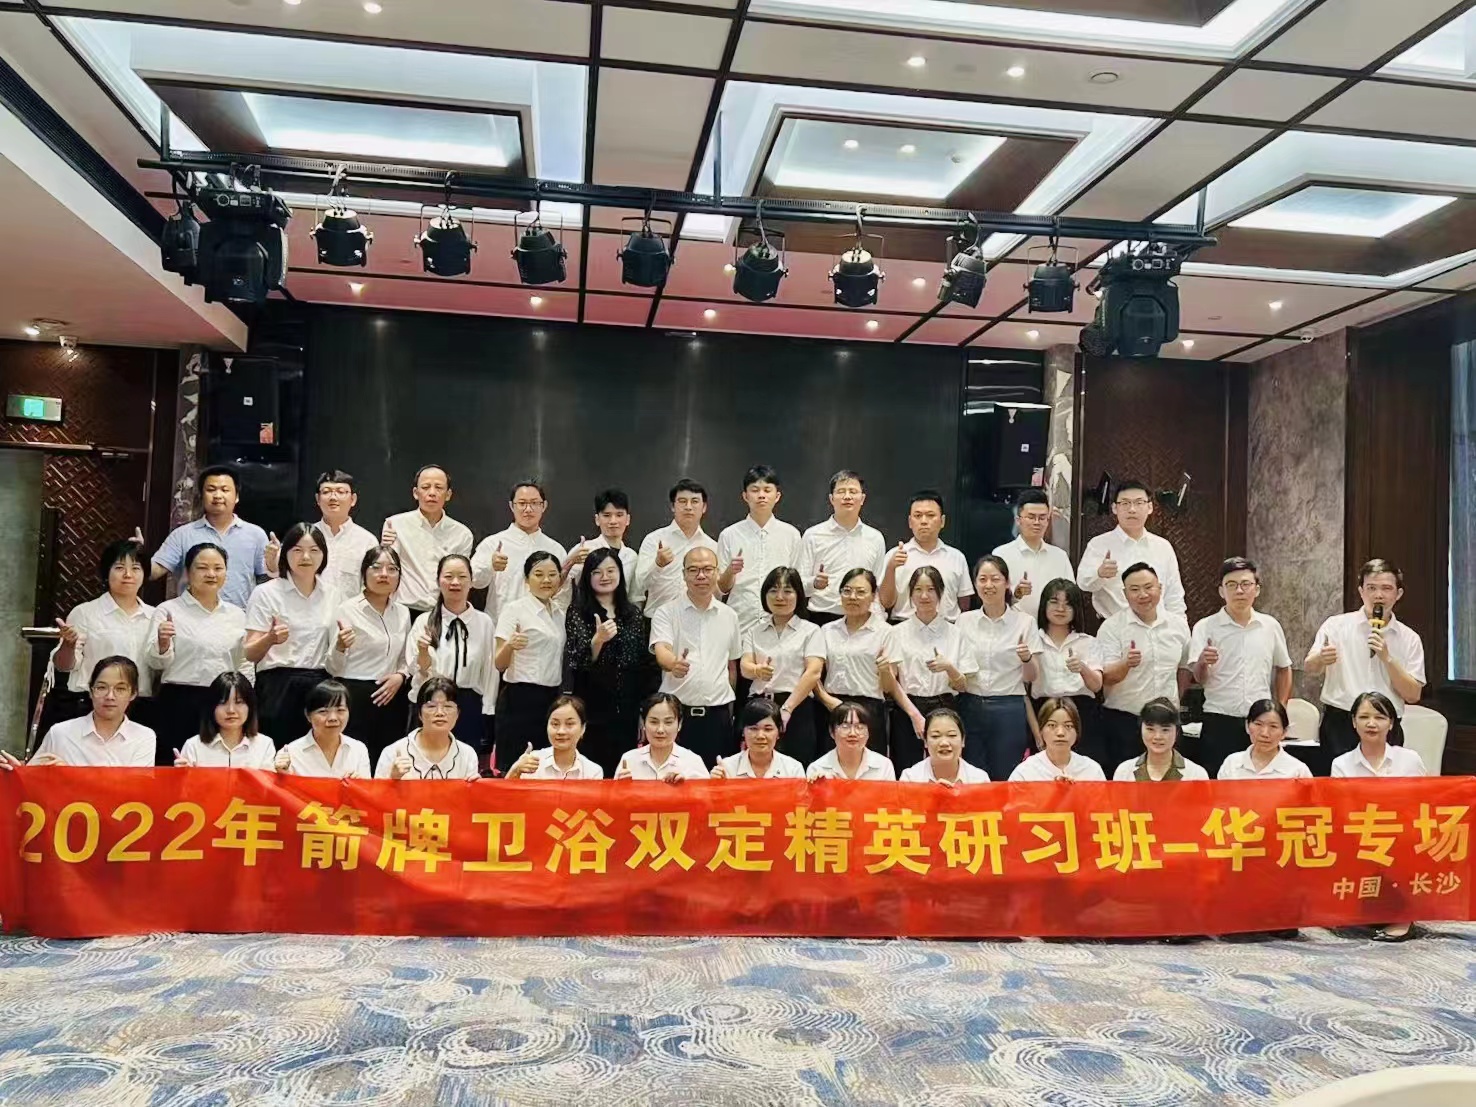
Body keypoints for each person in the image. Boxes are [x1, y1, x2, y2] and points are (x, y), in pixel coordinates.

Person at [1331, 690, 1427, 943]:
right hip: (1360, 833)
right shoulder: (1341, 764)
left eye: (1379, 717)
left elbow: (1423, 803)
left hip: (1402, 834)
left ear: (1391, 723)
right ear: (1353, 722)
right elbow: (1341, 809)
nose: (1371, 724)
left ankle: (1403, 917)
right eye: (1364, 717)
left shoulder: (1410, 760)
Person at [1306, 558, 1426, 758]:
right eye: (1371, 588)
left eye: (1386, 588)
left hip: (1386, 724)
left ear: (1398, 594)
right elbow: (1310, 668)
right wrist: (1320, 658)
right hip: (1341, 723)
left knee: (1384, 778)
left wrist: (1388, 659)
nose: (1378, 595)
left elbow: (1413, 695)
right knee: (1338, 777)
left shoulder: (1409, 638)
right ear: (1361, 591)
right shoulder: (1336, 626)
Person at [43, 536, 157, 739]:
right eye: (119, 568)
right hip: (91, 704)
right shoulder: (85, 613)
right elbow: (64, 666)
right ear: (107, 572)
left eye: (136, 568)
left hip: (139, 706)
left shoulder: (156, 616)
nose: (128, 575)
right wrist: (68, 645)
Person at [1188, 557, 1293, 776]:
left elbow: (1284, 668)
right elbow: (1198, 678)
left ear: (1257, 589)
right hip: (1219, 720)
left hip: (1259, 722)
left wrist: (1280, 708)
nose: (1239, 591)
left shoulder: (1270, 626)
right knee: (1217, 784)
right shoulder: (1205, 627)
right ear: (1221, 591)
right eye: (1231, 585)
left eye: (1246, 584)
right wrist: (1203, 662)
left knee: (1260, 781)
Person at [145, 542, 248, 763]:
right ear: (187, 572)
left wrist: (243, 699)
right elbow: (155, 664)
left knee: (217, 764)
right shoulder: (168, 610)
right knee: (175, 764)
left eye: (218, 568)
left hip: (222, 701)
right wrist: (163, 643)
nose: (211, 574)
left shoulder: (237, 615)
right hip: (178, 700)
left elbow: (244, 663)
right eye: (202, 568)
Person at [564, 546, 654, 778]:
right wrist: (598, 640)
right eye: (597, 572)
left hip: (627, 707)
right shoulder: (578, 611)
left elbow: (642, 665)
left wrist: (643, 711)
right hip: (593, 707)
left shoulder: (633, 614)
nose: (605, 577)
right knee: (593, 772)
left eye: (611, 571)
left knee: (623, 772)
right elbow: (577, 662)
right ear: (588, 576)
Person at [650, 547, 743, 767]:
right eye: (693, 570)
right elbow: (661, 650)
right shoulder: (666, 612)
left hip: (718, 716)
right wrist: (673, 663)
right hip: (677, 716)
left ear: (717, 573)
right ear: (683, 574)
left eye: (707, 569)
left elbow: (732, 666)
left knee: (717, 779)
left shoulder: (729, 616)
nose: (701, 576)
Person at [244, 522, 335, 746]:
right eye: (297, 550)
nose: (306, 557)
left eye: (314, 550)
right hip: (277, 686)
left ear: (324, 555)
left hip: (319, 685)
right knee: (277, 754)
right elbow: (249, 653)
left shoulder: (334, 594)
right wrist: (270, 639)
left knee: (315, 755)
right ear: (285, 553)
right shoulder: (266, 593)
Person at [1098, 563, 1191, 770]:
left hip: (1167, 721)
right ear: (1125, 594)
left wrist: (1176, 698)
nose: (1143, 594)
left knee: (1170, 780)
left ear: (1160, 588)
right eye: (1134, 589)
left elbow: (1185, 667)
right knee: (1125, 781)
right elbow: (1105, 677)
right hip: (1125, 721)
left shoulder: (1178, 625)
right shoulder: (1112, 628)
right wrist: (1126, 664)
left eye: (1149, 587)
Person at [883, 566, 974, 774]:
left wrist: (949, 667)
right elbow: (891, 682)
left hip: (945, 707)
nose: (924, 596)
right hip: (907, 707)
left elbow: (963, 685)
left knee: (947, 767)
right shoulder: (896, 632)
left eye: (931, 589)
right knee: (906, 767)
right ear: (910, 594)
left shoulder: (956, 633)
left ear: (941, 593)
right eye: (918, 589)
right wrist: (914, 715)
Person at [327, 545, 412, 765]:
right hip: (355, 694)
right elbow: (333, 667)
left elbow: (406, 657)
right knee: (354, 762)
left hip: (392, 695)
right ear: (364, 572)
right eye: (376, 567)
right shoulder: (347, 609)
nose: (384, 574)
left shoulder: (402, 613)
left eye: (392, 569)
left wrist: (401, 676)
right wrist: (340, 646)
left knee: (388, 762)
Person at [956, 555, 1038, 781]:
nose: (989, 585)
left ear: (1007, 583)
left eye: (995, 579)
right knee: (972, 776)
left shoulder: (1025, 622)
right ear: (975, 584)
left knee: (1005, 776)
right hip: (970, 705)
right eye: (982, 579)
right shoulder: (964, 622)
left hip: (1008, 707)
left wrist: (1026, 658)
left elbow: (1032, 676)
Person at [150, 464, 277, 609]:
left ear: (236, 496)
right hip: (192, 616)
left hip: (240, 617)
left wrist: (274, 567)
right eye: (211, 490)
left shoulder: (255, 535)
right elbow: (155, 570)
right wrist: (135, 555)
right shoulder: (182, 535)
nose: (218, 495)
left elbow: (265, 582)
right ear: (201, 495)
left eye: (225, 490)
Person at [407, 554, 496, 761]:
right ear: (438, 580)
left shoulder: (484, 622)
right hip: (433, 703)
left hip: (469, 705)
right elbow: (417, 671)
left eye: (462, 577)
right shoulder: (424, 621)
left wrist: (488, 709)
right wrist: (422, 651)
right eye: (448, 576)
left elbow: (490, 671)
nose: (455, 582)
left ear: (471, 581)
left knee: (464, 765)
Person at [2, 657, 154, 769]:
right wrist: (16, 771)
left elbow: (137, 788)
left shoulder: (143, 737)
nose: (110, 696)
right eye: (101, 687)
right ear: (91, 691)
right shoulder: (61, 733)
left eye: (120, 689)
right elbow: (34, 778)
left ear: (133, 694)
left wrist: (70, 775)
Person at [741, 566, 825, 765]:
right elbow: (745, 667)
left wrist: (787, 709)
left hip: (797, 709)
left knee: (797, 767)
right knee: (756, 768)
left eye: (787, 591)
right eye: (773, 590)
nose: (780, 597)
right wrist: (757, 670)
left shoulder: (811, 631)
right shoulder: (754, 631)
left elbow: (813, 672)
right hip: (759, 708)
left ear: (799, 595)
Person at [494, 551, 567, 772]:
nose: (546, 580)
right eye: (539, 574)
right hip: (520, 698)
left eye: (552, 574)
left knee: (545, 769)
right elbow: (499, 663)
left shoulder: (560, 613)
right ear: (526, 579)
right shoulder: (514, 610)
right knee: (516, 768)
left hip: (551, 698)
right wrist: (510, 646)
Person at [1076, 478, 1185, 620]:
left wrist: (1179, 627)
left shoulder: (1163, 547)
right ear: (1115, 508)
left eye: (1139, 503)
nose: (1132, 509)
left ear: (1150, 507)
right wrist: (1100, 573)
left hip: (1157, 628)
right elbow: (1083, 583)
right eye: (1125, 503)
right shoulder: (1099, 544)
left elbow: (1174, 595)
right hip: (1114, 627)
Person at [814, 568, 894, 756]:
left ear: (873, 596)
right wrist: (826, 699)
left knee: (869, 767)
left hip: (870, 709)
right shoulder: (826, 630)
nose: (852, 597)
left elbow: (888, 687)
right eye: (847, 591)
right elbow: (813, 674)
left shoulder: (886, 632)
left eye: (860, 592)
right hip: (832, 705)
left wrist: (885, 670)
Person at [1030, 578, 1106, 770]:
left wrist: (1082, 668)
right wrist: (1036, 730)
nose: (1061, 609)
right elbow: (1023, 689)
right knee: (1044, 771)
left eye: (1068, 604)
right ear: (1044, 605)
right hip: (1044, 710)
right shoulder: (1033, 640)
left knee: (1083, 772)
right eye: (1054, 602)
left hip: (1081, 712)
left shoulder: (1088, 642)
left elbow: (1097, 685)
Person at [718, 465, 803, 636]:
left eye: (767, 490)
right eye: (755, 490)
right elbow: (722, 588)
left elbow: (797, 583)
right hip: (740, 620)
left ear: (777, 496)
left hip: (780, 621)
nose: (761, 495)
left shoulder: (791, 535)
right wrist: (730, 571)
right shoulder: (729, 535)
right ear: (745, 496)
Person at [380, 465, 473, 614]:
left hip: (443, 611)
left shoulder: (462, 534)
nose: (432, 493)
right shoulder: (395, 525)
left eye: (439, 488)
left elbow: (460, 578)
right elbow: (388, 569)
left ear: (448, 494)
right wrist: (384, 548)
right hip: (403, 610)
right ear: (415, 493)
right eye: (425, 487)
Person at [473, 479, 570, 622]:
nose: (528, 509)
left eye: (534, 503)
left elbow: (563, 594)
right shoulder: (493, 543)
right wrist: (490, 566)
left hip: (543, 627)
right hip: (501, 625)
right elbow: (474, 580)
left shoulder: (555, 549)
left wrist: (553, 622)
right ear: (512, 506)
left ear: (544, 506)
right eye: (522, 503)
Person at [797, 469, 886, 626]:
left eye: (853, 492)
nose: (847, 496)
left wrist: (879, 619)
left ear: (862, 499)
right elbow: (798, 585)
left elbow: (877, 585)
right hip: (821, 617)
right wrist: (815, 583)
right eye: (841, 492)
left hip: (863, 618)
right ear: (831, 499)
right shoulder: (813, 535)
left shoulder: (875, 538)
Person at [877, 490, 971, 622]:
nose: (924, 521)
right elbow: (885, 603)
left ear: (942, 521)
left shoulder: (956, 557)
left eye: (930, 515)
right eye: (918, 516)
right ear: (910, 522)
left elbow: (964, 602)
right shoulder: (895, 555)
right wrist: (891, 568)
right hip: (903, 626)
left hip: (947, 627)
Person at [633, 478, 718, 616]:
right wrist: (658, 564)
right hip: (657, 618)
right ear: (673, 506)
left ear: (704, 507)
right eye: (682, 501)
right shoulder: (654, 540)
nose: (688, 507)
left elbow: (717, 591)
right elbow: (639, 585)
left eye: (694, 501)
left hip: (698, 619)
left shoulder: (712, 547)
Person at [374, 676, 480, 780]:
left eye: (448, 706)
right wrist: (392, 779)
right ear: (419, 714)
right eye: (431, 706)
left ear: (457, 714)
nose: (440, 713)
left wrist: (475, 788)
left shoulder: (467, 755)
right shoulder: (393, 752)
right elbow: (376, 791)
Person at [993, 489, 1074, 622]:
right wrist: (1016, 594)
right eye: (1031, 517)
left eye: (1042, 518)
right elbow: (993, 598)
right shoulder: (1001, 555)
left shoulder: (1060, 556)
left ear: (1047, 521)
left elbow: (1071, 597)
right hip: (1013, 626)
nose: (1037, 522)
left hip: (1051, 627)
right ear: (1018, 520)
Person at [173, 671, 276, 768]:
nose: (231, 710)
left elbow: (267, 781)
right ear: (211, 707)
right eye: (222, 703)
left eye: (239, 702)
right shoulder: (193, 746)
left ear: (250, 706)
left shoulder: (264, 745)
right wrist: (182, 775)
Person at [273, 679, 371, 777]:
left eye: (340, 710)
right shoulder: (291, 754)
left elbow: (366, 786)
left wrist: (359, 783)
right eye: (323, 711)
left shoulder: (358, 749)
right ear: (308, 715)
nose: (333, 718)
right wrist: (283, 774)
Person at [313, 469, 380, 606]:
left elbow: (372, 588)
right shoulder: (304, 537)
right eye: (326, 492)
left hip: (351, 615)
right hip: (309, 613)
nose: (333, 497)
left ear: (353, 499)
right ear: (318, 499)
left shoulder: (367, 541)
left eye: (341, 492)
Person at [614, 693, 710, 781]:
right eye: (653, 722)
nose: (660, 730)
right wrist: (624, 788)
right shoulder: (629, 759)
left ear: (679, 724)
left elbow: (707, 794)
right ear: (643, 723)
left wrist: (686, 787)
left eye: (668, 722)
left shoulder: (693, 762)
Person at [505, 695, 605, 779]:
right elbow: (506, 795)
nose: (561, 731)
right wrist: (515, 770)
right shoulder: (532, 762)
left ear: (583, 728)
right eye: (555, 724)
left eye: (569, 724)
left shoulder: (593, 772)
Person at [1112, 697, 1209, 781]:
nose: (1157, 737)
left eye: (1165, 730)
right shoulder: (1124, 771)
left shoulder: (1196, 774)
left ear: (1177, 732)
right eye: (1150, 729)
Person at [1009, 698, 1106, 782]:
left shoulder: (1092, 770)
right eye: (1052, 725)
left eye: (1068, 726)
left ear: (1077, 732)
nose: (1060, 733)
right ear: (1041, 730)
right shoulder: (1024, 772)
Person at [1216, 699, 1312, 780]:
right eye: (1258, 724)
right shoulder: (1232, 763)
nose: (1264, 733)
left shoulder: (1298, 771)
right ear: (1247, 726)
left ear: (1284, 732)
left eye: (1273, 726)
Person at [710, 698, 806, 779]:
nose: (760, 736)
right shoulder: (727, 768)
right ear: (743, 732)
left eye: (768, 729)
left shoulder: (793, 769)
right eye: (753, 729)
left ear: (778, 732)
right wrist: (716, 785)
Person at [565, 489, 639, 594]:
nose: (613, 521)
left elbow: (634, 596)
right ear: (597, 519)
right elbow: (563, 586)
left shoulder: (632, 556)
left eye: (619, 515)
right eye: (607, 515)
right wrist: (570, 563)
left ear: (627, 519)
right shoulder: (584, 549)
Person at [806, 700, 898, 780]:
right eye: (845, 727)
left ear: (868, 733)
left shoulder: (884, 766)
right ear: (832, 732)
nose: (852, 733)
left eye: (859, 727)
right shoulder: (817, 768)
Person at [900, 707, 990, 784]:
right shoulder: (910, 778)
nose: (944, 743)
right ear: (925, 742)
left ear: (963, 740)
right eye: (935, 736)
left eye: (952, 735)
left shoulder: (980, 779)